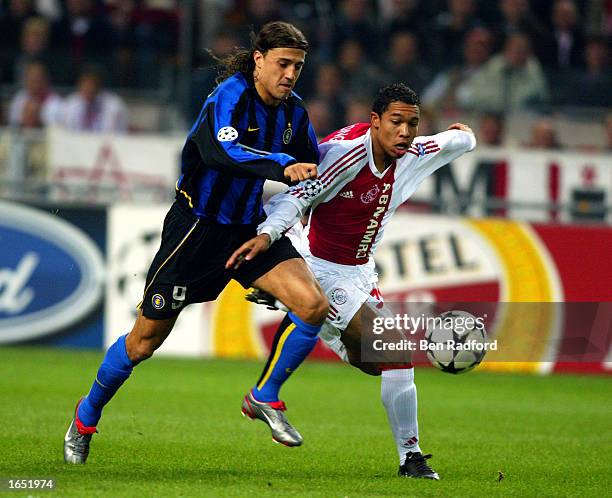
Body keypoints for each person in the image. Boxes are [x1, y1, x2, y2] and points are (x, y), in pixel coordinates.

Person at [64, 21, 329, 464]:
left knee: (313, 305)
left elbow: (311, 166)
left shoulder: (294, 113)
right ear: (259, 59)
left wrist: (285, 217)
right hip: (196, 229)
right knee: (143, 342)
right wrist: (283, 164)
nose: (290, 74)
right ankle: (85, 416)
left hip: (248, 229)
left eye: (298, 67)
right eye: (283, 64)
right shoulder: (228, 97)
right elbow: (220, 153)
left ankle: (264, 395)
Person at [227, 83, 477, 479]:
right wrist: (268, 236)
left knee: (380, 367)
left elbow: (458, 140)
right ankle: (410, 458)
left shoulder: (411, 152)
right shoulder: (343, 155)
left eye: (413, 123)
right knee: (397, 353)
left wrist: (464, 135)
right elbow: (293, 198)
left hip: (362, 271)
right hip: (320, 265)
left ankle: (306, 316)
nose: (405, 132)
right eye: (396, 122)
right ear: (374, 122)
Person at [60, 67, 128, 133]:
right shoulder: (70, 104)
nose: (88, 88)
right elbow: (65, 132)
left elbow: (118, 135)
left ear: (99, 85)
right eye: (85, 84)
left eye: (91, 84)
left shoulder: (114, 106)